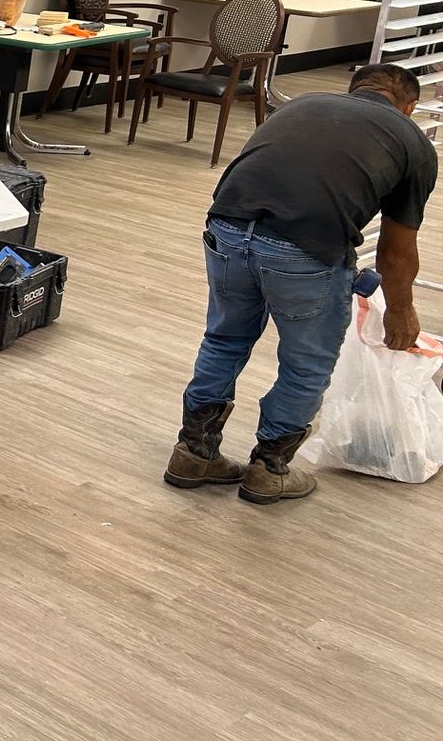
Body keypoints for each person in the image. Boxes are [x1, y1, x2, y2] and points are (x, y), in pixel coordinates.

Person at [165, 63, 435, 504]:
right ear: (409, 106)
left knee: (224, 339)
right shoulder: (413, 142)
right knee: (306, 363)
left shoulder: (301, 105)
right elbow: (395, 251)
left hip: (227, 229)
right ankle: (268, 470)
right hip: (304, 250)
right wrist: (402, 312)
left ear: (354, 91)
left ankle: (193, 453)